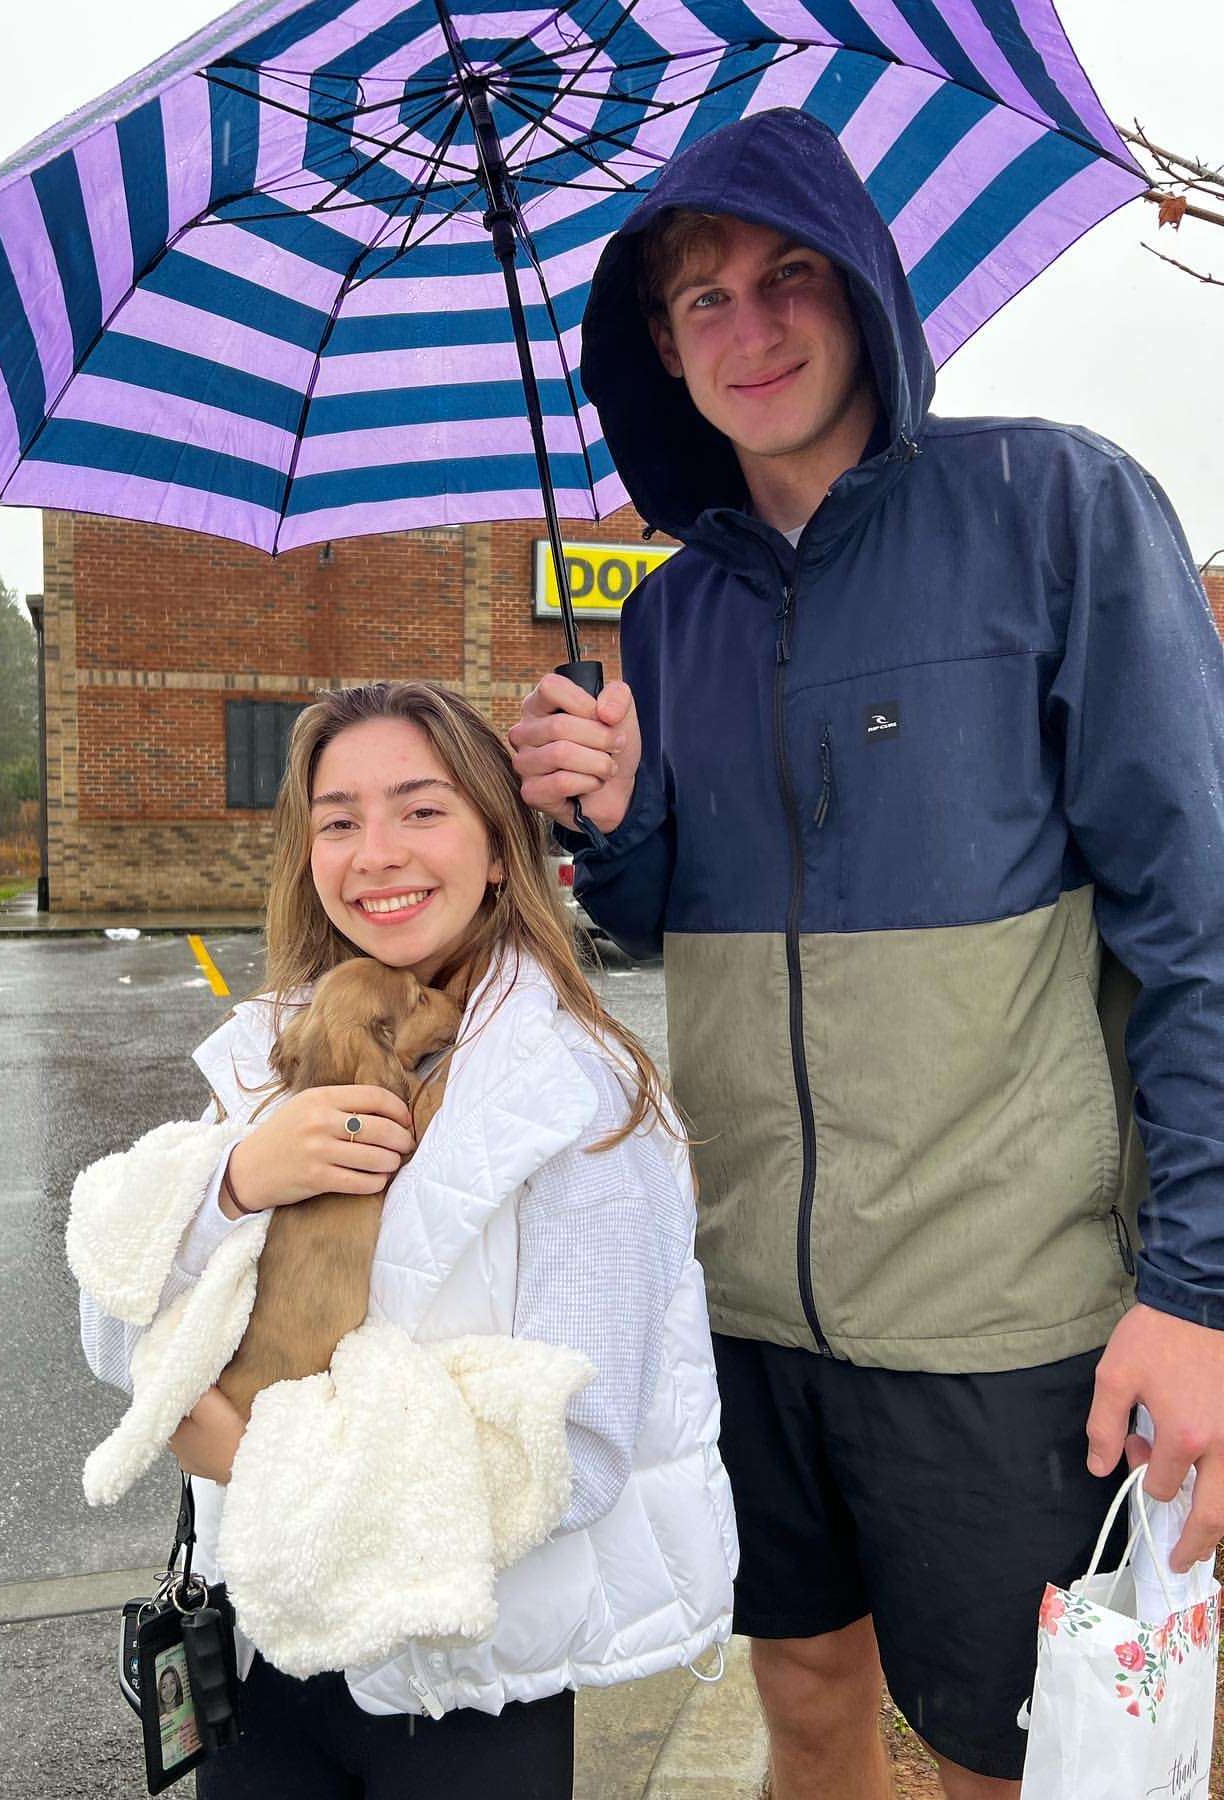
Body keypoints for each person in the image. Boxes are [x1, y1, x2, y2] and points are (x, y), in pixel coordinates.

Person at [507, 106, 1224, 1798]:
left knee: (1022, 1758)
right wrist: (614, 819)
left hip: (1006, 1314)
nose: (747, 327)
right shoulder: (669, 615)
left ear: (869, 291)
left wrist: (1198, 1294)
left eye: (787, 274)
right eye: (700, 301)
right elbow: (669, 914)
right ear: (659, 356)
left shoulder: (1053, 504)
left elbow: (1199, 914)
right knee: (809, 1699)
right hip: (749, 1304)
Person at [76, 680, 737, 1800]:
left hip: (462, 1683)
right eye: (338, 818)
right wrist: (234, 1184)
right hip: (268, 1649)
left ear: (498, 847)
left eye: (421, 810)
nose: (375, 852)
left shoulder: (581, 1099)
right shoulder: (264, 1058)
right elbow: (115, 1322)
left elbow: (576, 1453)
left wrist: (248, 1459)